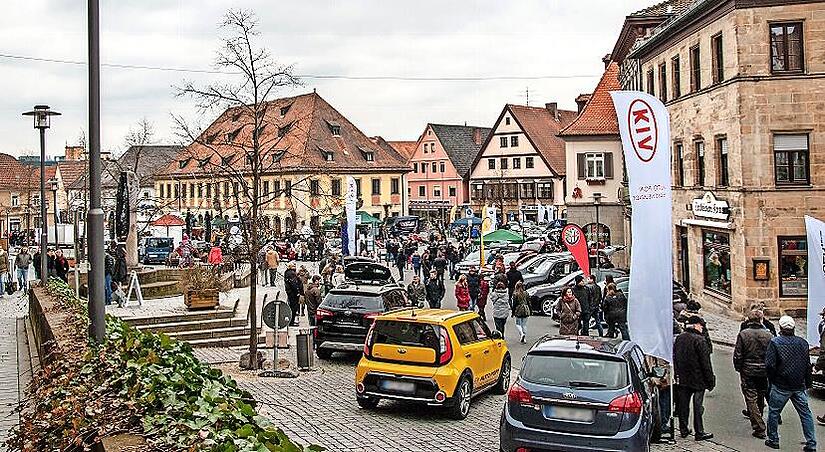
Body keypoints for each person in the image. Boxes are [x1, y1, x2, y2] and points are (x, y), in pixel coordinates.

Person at [764, 316, 816, 451]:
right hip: (798, 385)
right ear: (793, 328)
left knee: (774, 412)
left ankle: (773, 439)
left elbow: (770, 365)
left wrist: (772, 380)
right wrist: (807, 382)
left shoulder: (775, 342)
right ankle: (811, 443)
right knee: (806, 414)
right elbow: (807, 365)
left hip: (781, 385)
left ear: (781, 328)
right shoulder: (802, 343)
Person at [673, 315, 715, 441]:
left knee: (683, 405)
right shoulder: (700, 340)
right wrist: (710, 380)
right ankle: (699, 431)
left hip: (683, 378)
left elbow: (675, 357)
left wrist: (677, 374)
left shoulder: (680, 338)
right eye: (701, 325)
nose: (702, 328)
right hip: (698, 379)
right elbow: (705, 363)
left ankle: (683, 428)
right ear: (697, 325)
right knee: (698, 406)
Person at [733, 309, 773, 439]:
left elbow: (738, 354)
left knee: (751, 397)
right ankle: (759, 416)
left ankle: (759, 426)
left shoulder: (744, 334)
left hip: (748, 370)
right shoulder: (768, 335)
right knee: (760, 394)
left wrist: (739, 368)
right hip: (763, 370)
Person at [284, 263, 304, 327]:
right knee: (293, 307)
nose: (295, 266)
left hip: (290, 292)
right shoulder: (291, 273)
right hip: (293, 293)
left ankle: (291, 321)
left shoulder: (288, 272)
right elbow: (293, 284)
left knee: (292, 307)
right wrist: (297, 292)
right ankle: (291, 322)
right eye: (294, 265)